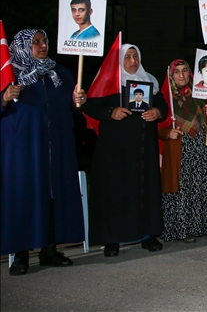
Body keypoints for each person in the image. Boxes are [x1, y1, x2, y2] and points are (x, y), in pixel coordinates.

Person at [1, 29, 86, 276]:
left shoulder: (59, 73)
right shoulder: (10, 72)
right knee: (24, 196)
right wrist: (4, 97)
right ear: (23, 46)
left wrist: (77, 101)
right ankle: (20, 254)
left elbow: (72, 107)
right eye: (35, 42)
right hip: (23, 146)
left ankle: (50, 250)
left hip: (57, 144)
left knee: (53, 195)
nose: (42, 45)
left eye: (44, 41)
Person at [84, 44, 166, 257]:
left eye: (136, 56)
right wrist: (111, 112)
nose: (132, 60)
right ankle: (112, 239)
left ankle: (148, 235)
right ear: (120, 60)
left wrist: (157, 112)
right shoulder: (109, 82)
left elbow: (163, 107)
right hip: (114, 151)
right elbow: (90, 106)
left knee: (144, 190)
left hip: (143, 150)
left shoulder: (149, 81)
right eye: (128, 56)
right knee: (115, 192)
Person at [158, 59, 207, 243]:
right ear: (171, 75)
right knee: (184, 186)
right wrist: (168, 132)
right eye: (177, 72)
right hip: (180, 146)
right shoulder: (166, 96)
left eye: (185, 71)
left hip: (202, 144)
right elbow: (157, 125)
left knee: (206, 182)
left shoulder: (201, 91)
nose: (181, 75)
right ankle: (185, 229)